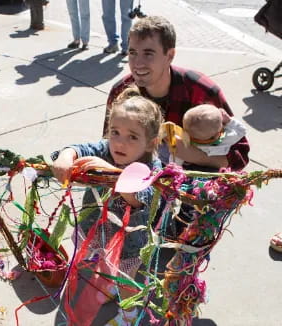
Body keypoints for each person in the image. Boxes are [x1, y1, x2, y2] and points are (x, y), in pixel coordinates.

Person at [52, 87, 163, 326]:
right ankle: (109, 285)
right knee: (100, 263)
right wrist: (66, 156)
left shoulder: (152, 168)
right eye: (115, 132)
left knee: (126, 279)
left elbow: (138, 197)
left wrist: (108, 170)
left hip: (128, 243)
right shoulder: (105, 149)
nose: (120, 143)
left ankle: (129, 315)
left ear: (150, 143)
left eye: (132, 136)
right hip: (96, 228)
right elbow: (79, 148)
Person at [103, 15, 250, 172]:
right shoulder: (121, 92)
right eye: (132, 52)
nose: (137, 63)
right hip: (135, 180)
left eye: (148, 53)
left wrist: (193, 155)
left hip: (190, 186)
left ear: (170, 55)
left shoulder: (201, 92)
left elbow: (239, 156)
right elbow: (107, 146)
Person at [162, 104, 247, 171]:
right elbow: (241, 130)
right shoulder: (226, 139)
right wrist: (229, 121)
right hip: (217, 171)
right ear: (217, 135)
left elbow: (174, 162)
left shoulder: (186, 145)